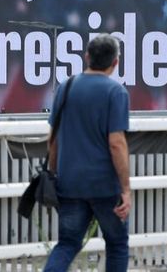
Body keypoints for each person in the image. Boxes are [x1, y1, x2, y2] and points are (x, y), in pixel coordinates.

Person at [43, 34, 131, 272]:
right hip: (105, 186)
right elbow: (117, 143)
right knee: (117, 244)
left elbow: (54, 139)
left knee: (67, 244)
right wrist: (125, 188)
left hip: (70, 184)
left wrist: (53, 174)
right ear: (116, 63)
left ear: (87, 57)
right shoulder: (116, 92)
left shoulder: (66, 87)